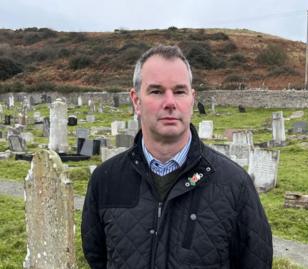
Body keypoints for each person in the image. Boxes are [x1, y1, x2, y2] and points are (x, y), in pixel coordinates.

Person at [81, 45, 273, 269]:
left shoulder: (234, 184)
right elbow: (97, 256)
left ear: (192, 98)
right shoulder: (106, 180)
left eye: (179, 91)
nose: (170, 102)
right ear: (136, 100)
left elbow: (255, 261)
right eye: (156, 91)